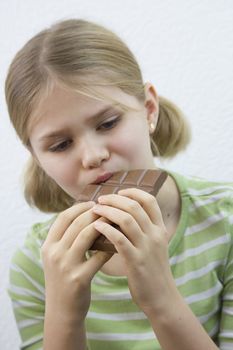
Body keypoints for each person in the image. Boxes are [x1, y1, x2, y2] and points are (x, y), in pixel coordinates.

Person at [5, 18, 233, 350]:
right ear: (37, 156)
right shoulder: (37, 262)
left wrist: (160, 300)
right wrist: (64, 316)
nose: (93, 156)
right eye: (60, 145)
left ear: (148, 109)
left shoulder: (226, 222)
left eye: (108, 123)